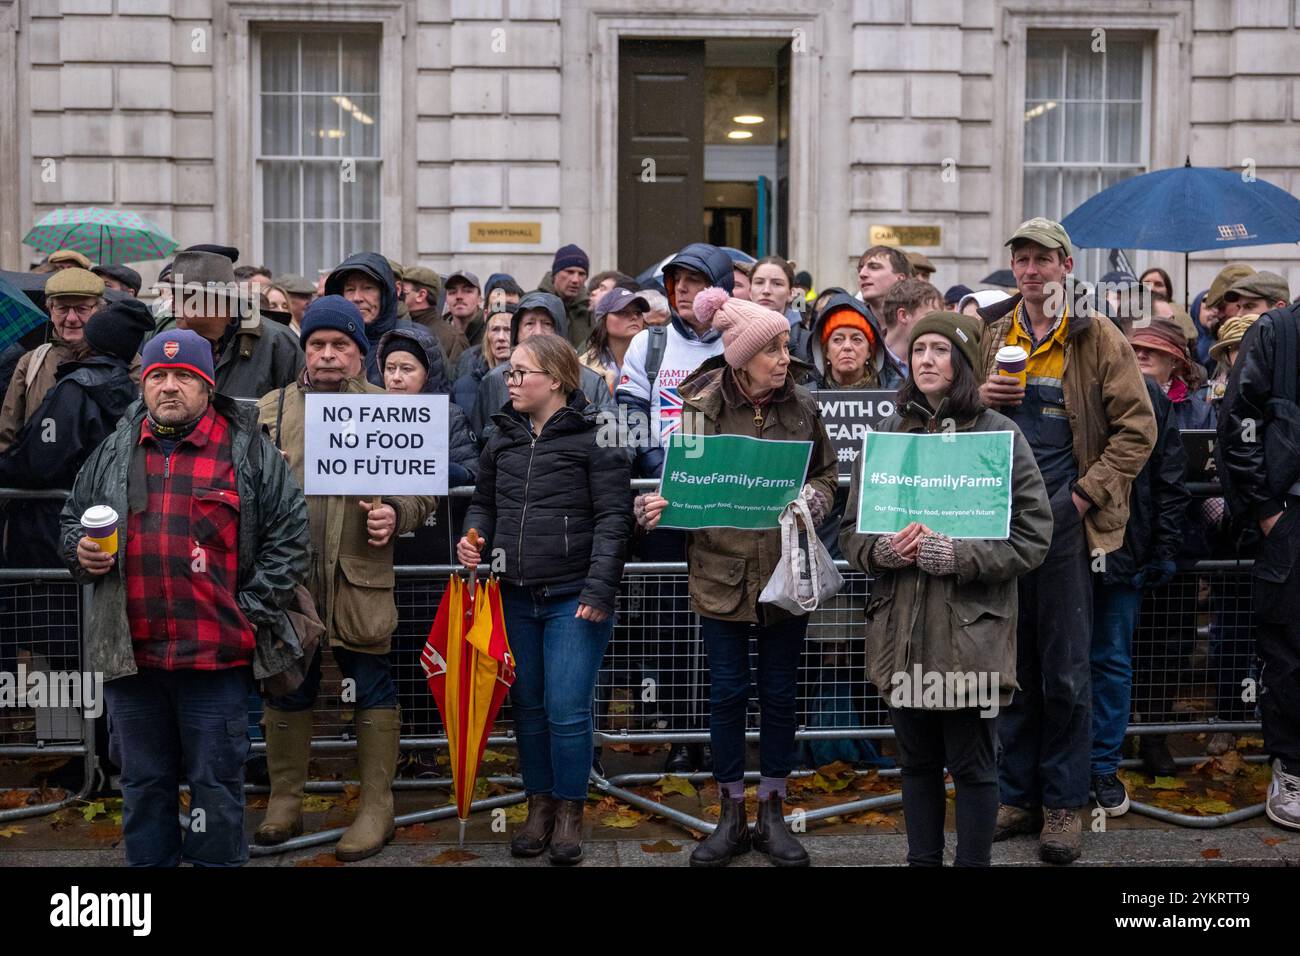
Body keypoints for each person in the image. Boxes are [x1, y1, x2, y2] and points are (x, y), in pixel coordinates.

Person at [59, 328, 309, 866]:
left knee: (216, 785)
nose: (169, 388)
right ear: (143, 384)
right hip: (133, 659)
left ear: (207, 385)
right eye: (158, 377)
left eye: (184, 377)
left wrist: (247, 613)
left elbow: (290, 539)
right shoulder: (114, 449)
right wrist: (81, 551)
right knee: (144, 784)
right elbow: (70, 519)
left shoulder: (248, 451)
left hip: (215, 659)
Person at [841, 311, 1052, 866]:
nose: (927, 359)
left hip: (971, 633)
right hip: (900, 631)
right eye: (918, 350)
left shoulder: (999, 435)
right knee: (914, 762)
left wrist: (957, 555)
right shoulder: (888, 435)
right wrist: (881, 551)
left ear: (962, 362)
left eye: (940, 349)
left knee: (975, 765)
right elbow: (851, 533)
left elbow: (1033, 539)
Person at [637, 289, 837, 867]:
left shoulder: (803, 406)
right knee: (725, 694)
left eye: (784, 345)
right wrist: (656, 507)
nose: (784, 356)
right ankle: (729, 815)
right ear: (742, 356)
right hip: (720, 574)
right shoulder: (699, 405)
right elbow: (683, 484)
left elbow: (825, 473)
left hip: (784, 574)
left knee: (779, 695)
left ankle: (773, 812)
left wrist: (814, 501)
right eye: (772, 348)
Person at [977, 217, 1155, 863]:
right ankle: (1016, 796)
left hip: (1066, 527)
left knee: (1067, 673)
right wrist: (979, 397)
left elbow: (1137, 431)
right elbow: (946, 412)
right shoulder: (992, 332)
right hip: (1001, 526)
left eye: (1042, 260)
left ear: (1066, 267)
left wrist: (1085, 496)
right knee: (1012, 668)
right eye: (1021, 259)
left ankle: (1063, 806)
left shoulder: (1098, 335)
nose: (1030, 270)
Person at [254, 296, 436, 860]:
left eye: (341, 345)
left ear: (360, 354)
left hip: (359, 574)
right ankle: (285, 799)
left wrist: (396, 514)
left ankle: (377, 806)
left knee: (373, 683)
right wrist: (265, 481)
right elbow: (234, 491)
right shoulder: (269, 409)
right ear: (304, 349)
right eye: (317, 344)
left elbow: (424, 491)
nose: (328, 355)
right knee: (289, 684)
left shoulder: (389, 407)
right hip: (292, 578)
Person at [458, 333, 632, 864]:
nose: (509, 381)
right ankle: (539, 805)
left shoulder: (598, 436)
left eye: (520, 372)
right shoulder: (501, 436)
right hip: (513, 594)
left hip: (574, 597)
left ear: (555, 379)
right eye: (508, 373)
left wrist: (599, 589)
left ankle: (570, 811)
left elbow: (613, 519)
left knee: (566, 709)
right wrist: (473, 538)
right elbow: (483, 503)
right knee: (528, 708)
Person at [619, 242, 733, 773]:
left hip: (723, 505)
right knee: (668, 621)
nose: (683, 290)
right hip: (664, 503)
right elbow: (623, 419)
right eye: (676, 281)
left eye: (695, 280)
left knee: (719, 622)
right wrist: (660, 465)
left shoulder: (741, 340)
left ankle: (715, 733)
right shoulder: (649, 342)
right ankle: (679, 730)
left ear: (721, 289)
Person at [378, 323, 480, 778]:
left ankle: (426, 744)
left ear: (428, 373)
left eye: (407, 369)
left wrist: (419, 464)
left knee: (426, 646)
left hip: (432, 550)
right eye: (390, 368)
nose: (397, 378)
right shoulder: (365, 412)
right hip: (380, 552)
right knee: (387, 648)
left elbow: (471, 470)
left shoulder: (450, 416)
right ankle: (389, 743)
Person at [1216, 297, 1300, 830]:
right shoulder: (1278, 332)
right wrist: (1268, 511)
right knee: (1289, 648)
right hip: (1290, 519)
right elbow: (1237, 420)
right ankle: (1292, 768)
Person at [1090, 376, 1187, 815]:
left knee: (1111, 662)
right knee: (1053, 662)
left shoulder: (1149, 396)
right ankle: (1054, 769)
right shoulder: (1051, 375)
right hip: (1062, 547)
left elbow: (1170, 478)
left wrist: (1163, 548)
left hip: (1125, 550)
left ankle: (1101, 768)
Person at [0, 299, 154, 569]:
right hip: (92, 529)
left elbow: (39, 462)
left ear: (96, 339)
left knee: (43, 608)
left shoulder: (75, 389)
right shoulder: (129, 390)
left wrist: (6, 466)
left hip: (49, 530)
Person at [470, 291, 615, 444]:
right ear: (517, 332)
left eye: (547, 324)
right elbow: (477, 445)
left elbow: (614, 443)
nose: (538, 332)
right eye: (529, 324)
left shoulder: (591, 381)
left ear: (560, 331)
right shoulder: (495, 380)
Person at [170, 249, 304, 399]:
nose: (172, 307)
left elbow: (301, 411)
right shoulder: (170, 344)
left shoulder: (279, 343)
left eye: (181, 297)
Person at [0, 267, 105, 452]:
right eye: (62, 308)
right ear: (50, 310)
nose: (71, 318)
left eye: (82, 309)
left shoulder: (126, 361)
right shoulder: (31, 363)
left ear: (99, 310)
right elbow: (7, 437)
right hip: (41, 478)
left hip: (101, 480)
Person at [322, 253, 411, 387]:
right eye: (350, 289)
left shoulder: (412, 340)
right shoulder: (324, 343)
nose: (357, 297)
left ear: (385, 295)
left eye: (368, 288)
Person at [806, 292, 889, 389]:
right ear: (826, 351)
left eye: (856, 339)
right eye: (837, 340)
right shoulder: (807, 397)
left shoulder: (892, 395)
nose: (847, 346)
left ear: (869, 352)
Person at [581, 287, 649, 395]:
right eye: (622, 312)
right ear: (603, 320)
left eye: (638, 312)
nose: (634, 316)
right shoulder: (583, 368)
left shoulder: (658, 360)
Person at [403, 265, 470, 368]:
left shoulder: (452, 338)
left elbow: (457, 381)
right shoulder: (394, 326)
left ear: (421, 295)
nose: (396, 296)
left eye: (403, 293)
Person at [879, 277, 943, 379]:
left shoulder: (942, 362)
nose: (939, 324)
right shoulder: (867, 362)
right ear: (903, 316)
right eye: (931, 316)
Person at [452, 306, 514, 411]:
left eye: (508, 330)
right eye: (495, 330)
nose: (501, 337)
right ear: (487, 336)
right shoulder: (463, 386)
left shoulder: (525, 383)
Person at [539, 245, 592, 349]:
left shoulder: (590, 309)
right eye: (569, 272)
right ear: (555, 274)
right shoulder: (534, 303)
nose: (575, 280)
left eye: (581, 274)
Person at [855, 244, 913, 323]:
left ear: (900, 278)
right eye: (859, 270)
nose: (862, 274)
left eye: (874, 267)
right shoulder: (849, 322)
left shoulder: (920, 321)